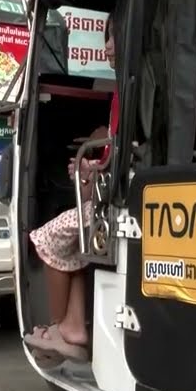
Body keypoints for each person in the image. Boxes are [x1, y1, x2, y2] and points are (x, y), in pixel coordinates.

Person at [24, 23, 118, 367]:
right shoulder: (125, 92)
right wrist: (90, 168)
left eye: (112, 38)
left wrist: (92, 167)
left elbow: (129, 149)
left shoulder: (134, 90)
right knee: (78, 245)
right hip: (112, 199)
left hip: (121, 204)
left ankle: (62, 325)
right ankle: (74, 326)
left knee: (46, 238)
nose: (106, 46)